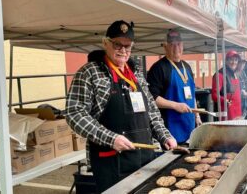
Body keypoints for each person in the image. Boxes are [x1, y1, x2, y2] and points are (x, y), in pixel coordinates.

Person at [65, 20, 177, 193]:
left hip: (145, 160)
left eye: (128, 46)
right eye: (118, 45)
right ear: (105, 43)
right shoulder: (89, 72)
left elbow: (152, 112)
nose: (123, 51)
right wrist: (111, 138)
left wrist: (165, 136)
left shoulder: (136, 73)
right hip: (111, 163)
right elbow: (75, 113)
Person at [147, 29, 201, 144]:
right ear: (165, 47)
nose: (176, 48)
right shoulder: (158, 68)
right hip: (170, 131)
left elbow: (192, 95)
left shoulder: (187, 67)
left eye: (178, 44)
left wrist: (197, 116)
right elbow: (151, 99)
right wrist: (175, 105)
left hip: (189, 127)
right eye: (172, 44)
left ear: (183, 45)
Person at [211, 50, 242, 120]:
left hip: (237, 111)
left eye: (236, 60)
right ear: (226, 61)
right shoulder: (219, 75)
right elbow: (214, 95)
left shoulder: (236, 74)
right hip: (226, 113)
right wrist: (225, 100)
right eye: (231, 60)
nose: (234, 62)